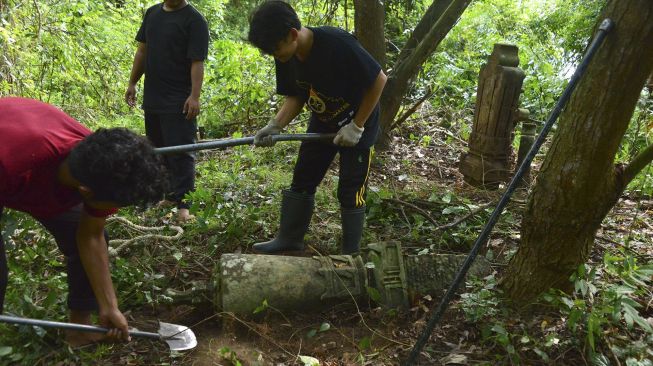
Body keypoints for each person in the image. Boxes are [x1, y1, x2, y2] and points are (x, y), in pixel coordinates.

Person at [0, 97, 168, 346]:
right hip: (11, 162)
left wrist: (109, 305)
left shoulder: (102, 161)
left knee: (79, 229)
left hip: (33, 155)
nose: (114, 210)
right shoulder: (12, 163)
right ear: (86, 191)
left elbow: (90, 236)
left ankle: (80, 328)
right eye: (115, 205)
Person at [247, 0, 387, 255]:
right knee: (303, 176)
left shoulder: (337, 43)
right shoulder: (286, 54)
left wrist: (356, 126)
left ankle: (350, 251)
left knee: (351, 187)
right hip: (323, 120)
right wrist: (275, 125)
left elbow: (379, 79)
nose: (276, 56)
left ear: (292, 34)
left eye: (277, 50)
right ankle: (290, 238)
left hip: (359, 122)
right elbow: (296, 95)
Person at [125, 0, 209, 222]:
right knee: (158, 149)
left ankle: (184, 206)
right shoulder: (152, 13)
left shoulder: (194, 20)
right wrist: (133, 82)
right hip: (153, 97)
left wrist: (195, 96)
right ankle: (170, 195)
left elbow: (197, 61)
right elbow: (142, 50)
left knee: (181, 152)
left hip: (179, 100)